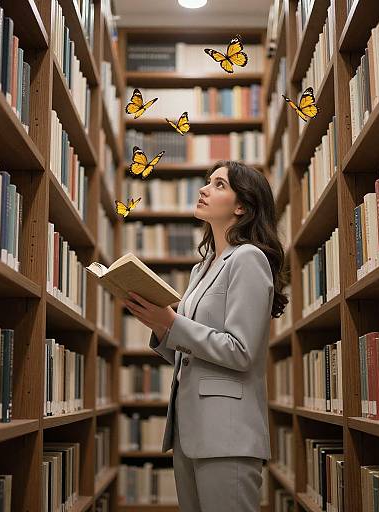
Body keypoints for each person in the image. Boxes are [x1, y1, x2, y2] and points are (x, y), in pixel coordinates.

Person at [121, 160, 288, 512]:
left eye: (218, 184)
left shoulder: (249, 259)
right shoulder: (202, 266)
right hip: (189, 429)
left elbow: (241, 351)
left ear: (241, 206)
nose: (203, 189)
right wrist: (160, 327)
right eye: (207, 182)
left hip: (227, 435)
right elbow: (192, 350)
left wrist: (171, 323)